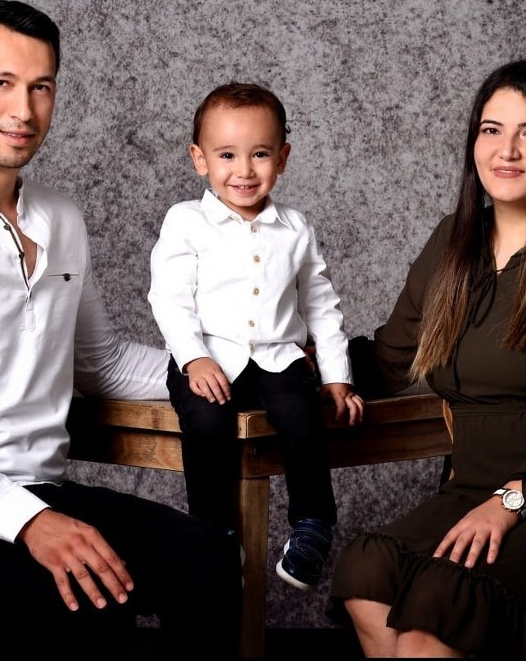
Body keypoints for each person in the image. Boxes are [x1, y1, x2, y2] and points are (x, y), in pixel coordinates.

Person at [0, 0, 241, 658]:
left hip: (40, 490)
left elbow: (102, 365)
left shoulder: (61, 220)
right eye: (1, 83)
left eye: (40, 86)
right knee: (88, 602)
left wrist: (233, 368)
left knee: (208, 558)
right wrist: (28, 522)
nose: (23, 110)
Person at [326, 59, 526, 657]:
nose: (507, 150)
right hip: (472, 488)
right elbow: (389, 362)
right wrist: (301, 361)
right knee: (366, 570)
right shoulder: (454, 243)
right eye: (491, 129)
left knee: (439, 607)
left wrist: (513, 500)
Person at [147, 82, 365, 592]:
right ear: (199, 159)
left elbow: (321, 305)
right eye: (227, 155)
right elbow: (169, 298)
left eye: (260, 154)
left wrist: (337, 377)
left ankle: (312, 523)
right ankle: (215, 534)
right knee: (205, 423)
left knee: (303, 416)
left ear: (282, 158)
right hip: (209, 358)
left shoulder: (295, 228)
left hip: (278, 358)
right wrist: (193, 358)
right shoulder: (186, 222)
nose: (244, 170)